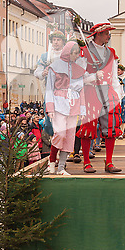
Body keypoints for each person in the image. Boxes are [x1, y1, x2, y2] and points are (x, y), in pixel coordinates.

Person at [77, 23, 123, 174]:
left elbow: (114, 76)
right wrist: (92, 76)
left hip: (108, 91)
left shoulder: (111, 52)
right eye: (106, 33)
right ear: (98, 34)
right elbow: (78, 77)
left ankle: (109, 161)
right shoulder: (84, 52)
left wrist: (117, 94)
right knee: (88, 127)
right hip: (90, 91)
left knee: (111, 126)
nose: (109, 36)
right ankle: (86, 162)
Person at [45, 41, 86, 175]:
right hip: (59, 103)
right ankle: (52, 162)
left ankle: (61, 167)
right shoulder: (54, 67)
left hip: (74, 105)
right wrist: (50, 108)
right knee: (60, 134)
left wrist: (83, 110)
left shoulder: (78, 69)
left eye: (77, 53)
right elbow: (49, 88)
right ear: (68, 52)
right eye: (74, 53)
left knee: (69, 138)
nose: (76, 56)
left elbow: (82, 91)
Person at [34, 29, 67, 167]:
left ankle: (60, 154)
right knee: (49, 123)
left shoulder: (67, 56)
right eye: (53, 40)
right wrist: (43, 72)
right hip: (50, 94)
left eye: (58, 40)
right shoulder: (46, 56)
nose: (55, 42)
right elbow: (37, 71)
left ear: (63, 42)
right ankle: (55, 151)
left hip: (64, 95)